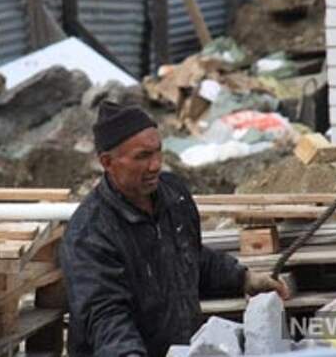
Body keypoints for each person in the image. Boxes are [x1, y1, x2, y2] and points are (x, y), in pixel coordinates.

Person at [60, 101, 290, 357]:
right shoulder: (89, 233)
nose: (156, 164)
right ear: (107, 162)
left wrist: (244, 278)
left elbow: (191, 257)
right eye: (142, 156)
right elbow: (104, 315)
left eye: (158, 152)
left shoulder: (173, 196)